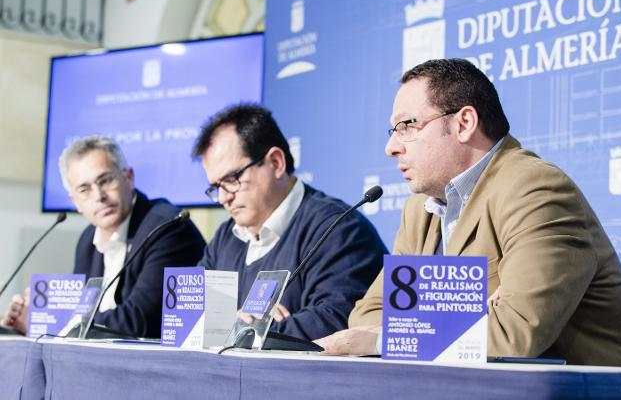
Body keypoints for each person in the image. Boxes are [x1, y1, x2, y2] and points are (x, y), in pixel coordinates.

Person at [315, 58, 621, 366]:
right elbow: (368, 312)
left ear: (464, 123)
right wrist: (471, 316)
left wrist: (387, 338)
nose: (392, 147)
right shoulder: (419, 210)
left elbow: (514, 333)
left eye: (407, 125)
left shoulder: (534, 188)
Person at [194, 104, 386, 341]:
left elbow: (336, 320)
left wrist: (249, 330)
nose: (223, 198)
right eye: (215, 187)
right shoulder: (226, 237)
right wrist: (241, 326)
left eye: (232, 179)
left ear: (275, 162)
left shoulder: (338, 228)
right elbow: (194, 318)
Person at [1, 135, 206, 338]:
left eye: (105, 180)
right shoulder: (87, 240)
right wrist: (35, 318)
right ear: (75, 202)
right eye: (84, 189)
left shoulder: (167, 227)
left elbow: (139, 321)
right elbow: (82, 312)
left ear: (129, 177)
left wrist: (53, 323)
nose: (99, 196)